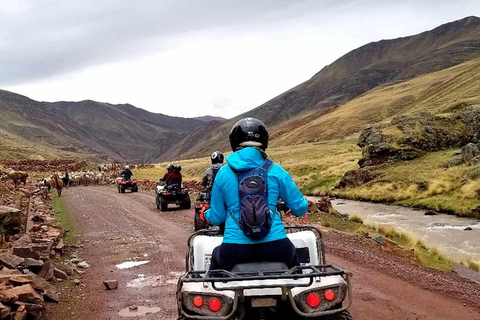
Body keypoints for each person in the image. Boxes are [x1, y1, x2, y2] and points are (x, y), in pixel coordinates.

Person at [204, 118, 308, 271]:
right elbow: (300, 208)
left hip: (234, 249)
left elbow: (217, 217)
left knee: (215, 276)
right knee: (298, 279)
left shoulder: (223, 173)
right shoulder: (276, 170)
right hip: (277, 247)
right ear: (264, 140)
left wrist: (206, 214)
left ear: (234, 142)